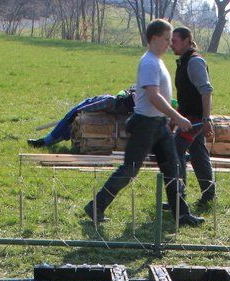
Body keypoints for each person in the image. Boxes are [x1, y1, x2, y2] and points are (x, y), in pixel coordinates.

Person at [85, 19, 203, 227]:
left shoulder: (157, 61)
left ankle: (181, 214)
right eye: (166, 39)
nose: (169, 44)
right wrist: (177, 117)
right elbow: (153, 96)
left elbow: (159, 98)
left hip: (158, 125)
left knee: (173, 168)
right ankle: (96, 207)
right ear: (154, 38)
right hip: (145, 126)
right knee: (129, 170)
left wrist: (169, 117)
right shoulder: (149, 62)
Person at [171, 27, 215, 208]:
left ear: (186, 41)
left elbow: (206, 92)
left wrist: (206, 119)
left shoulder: (194, 61)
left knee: (175, 151)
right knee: (198, 154)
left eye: (175, 41)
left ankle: (178, 198)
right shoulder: (184, 61)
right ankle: (209, 196)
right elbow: (186, 94)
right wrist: (176, 115)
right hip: (189, 117)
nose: (171, 44)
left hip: (195, 119)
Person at [28, 90, 134, 148]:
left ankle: (48, 141)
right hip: (91, 104)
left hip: (103, 113)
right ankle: (44, 142)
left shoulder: (131, 108)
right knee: (67, 123)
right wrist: (74, 115)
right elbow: (86, 108)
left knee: (69, 129)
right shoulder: (110, 102)